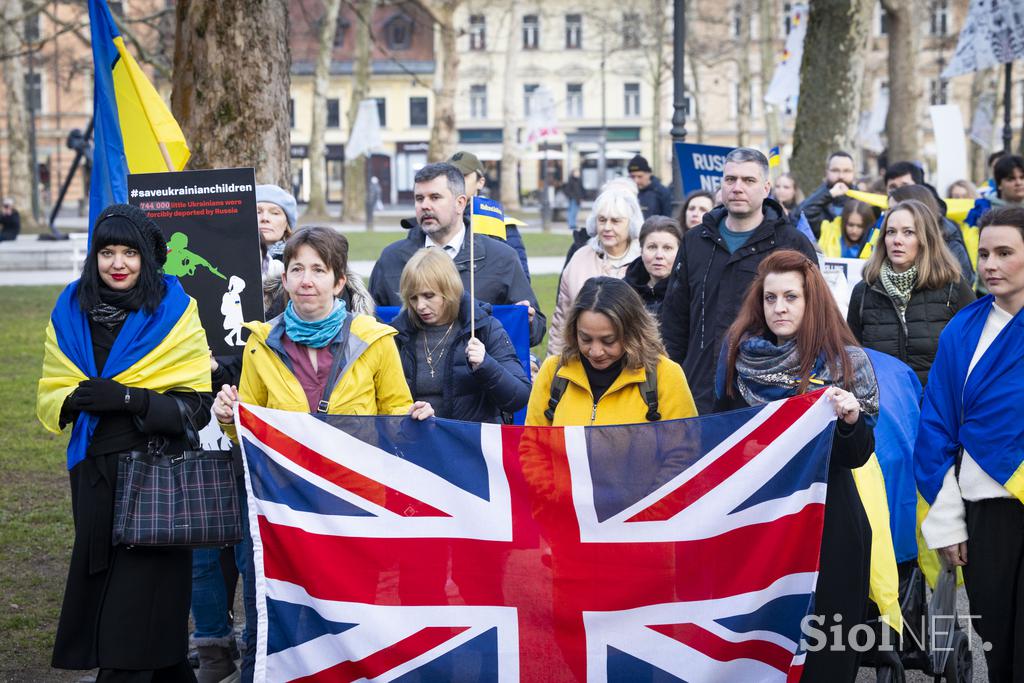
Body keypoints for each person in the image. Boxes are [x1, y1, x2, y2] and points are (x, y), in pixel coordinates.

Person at [37, 204, 212, 680]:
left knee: (135, 620)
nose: (118, 263)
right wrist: (74, 400)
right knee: (148, 632)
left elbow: (195, 407)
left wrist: (132, 399)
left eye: (129, 252)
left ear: (146, 259)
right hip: (94, 479)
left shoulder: (175, 312)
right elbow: (51, 388)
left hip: (155, 480)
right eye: (107, 251)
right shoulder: (70, 309)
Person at [714, 249, 878, 683]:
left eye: (791, 297)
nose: (779, 308)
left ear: (812, 301)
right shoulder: (736, 357)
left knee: (828, 645)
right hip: (756, 520)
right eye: (770, 298)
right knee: (756, 643)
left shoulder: (845, 362)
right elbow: (719, 433)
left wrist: (849, 420)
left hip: (830, 521)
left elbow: (859, 454)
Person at [915, 206, 1024, 682]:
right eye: (983, 253)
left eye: (1004, 253)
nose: (989, 264)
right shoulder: (963, 328)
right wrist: (946, 521)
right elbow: (935, 424)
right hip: (987, 513)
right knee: (997, 643)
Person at [660, 147, 819, 413]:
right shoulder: (695, 241)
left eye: (748, 180)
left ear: (766, 187)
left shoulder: (791, 243)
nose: (737, 188)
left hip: (765, 392)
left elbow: (814, 316)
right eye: (730, 179)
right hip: (698, 390)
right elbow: (675, 320)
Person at [370, 163, 547, 347]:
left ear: (460, 203)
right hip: (410, 373)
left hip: (479, 372)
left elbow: (536, 331)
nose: (425, 206)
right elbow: (369, 324)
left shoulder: (502, 257)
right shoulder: (392, 259)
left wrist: (529, 322)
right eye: (419, 198)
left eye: (435, 197)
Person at [528, 276, 697, 425]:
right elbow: (532, 447)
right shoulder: (554, 371)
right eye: (585, 339)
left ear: (633, 333)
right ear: (573, 331)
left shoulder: (665, 375)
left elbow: (684, 452)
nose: (595, 351)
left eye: (608, 341)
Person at [390, 248, 530, 422]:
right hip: (415, 442)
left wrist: (486, 365)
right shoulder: (397, 335)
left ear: (449, 290)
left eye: (428, 295)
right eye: (413, 298)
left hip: (472, 443)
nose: (420, 306)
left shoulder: (483, 328)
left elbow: (519, 397)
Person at [847, 199, 975, 387]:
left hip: (939, 407)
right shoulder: (864, 291)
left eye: (908, 232)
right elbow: (852, 357)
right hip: (885, 407)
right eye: (891, 232)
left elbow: (975, 352)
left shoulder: (952, 287)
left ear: (926, 238)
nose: (897, 240)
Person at [547, 187, 643, 355]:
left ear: (631, 224)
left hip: (633, 360)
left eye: (615, 221)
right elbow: (562, 318)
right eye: (602, 220)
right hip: (584, 358)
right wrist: (554, 365)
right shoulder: (580, 258)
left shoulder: (643, 261)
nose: (607, 227)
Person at [448, 150, 531, 278]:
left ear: (480, 182)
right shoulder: (435, 219)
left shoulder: (498, 222)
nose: (455, 182)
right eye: (450, 176)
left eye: (463, 176)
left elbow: (520, 278)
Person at [889, 183, 974, 282]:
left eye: (894, 210)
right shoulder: (885, 242)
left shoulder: (951, 248)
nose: (889, 216)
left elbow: (961, 287)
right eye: (888, 210)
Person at [623, 215, 683, 318]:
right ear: (641, 250)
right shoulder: (624, 290)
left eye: (667, 248)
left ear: (680, 253)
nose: (659, 255)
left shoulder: (688, 292)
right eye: (652, 247)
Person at [798, 151, 856, 237]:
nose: (841, 176)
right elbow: (801, 214)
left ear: (853, 173)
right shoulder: (817, 199)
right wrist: (829, 194)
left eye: (847, 171)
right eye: (835, 170)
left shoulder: (862, 202)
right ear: (826, 172)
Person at [255, 184, 296, 278]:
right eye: (257, 212)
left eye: (275, 213)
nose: (265, 218)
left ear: (287, 224)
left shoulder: (297, 257)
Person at [627, 154, 673, 219]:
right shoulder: (627, 192)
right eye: (632, 177)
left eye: (640, 176)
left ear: (649, 174)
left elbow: (668, 218)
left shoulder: (662, 193)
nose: (636, 181)